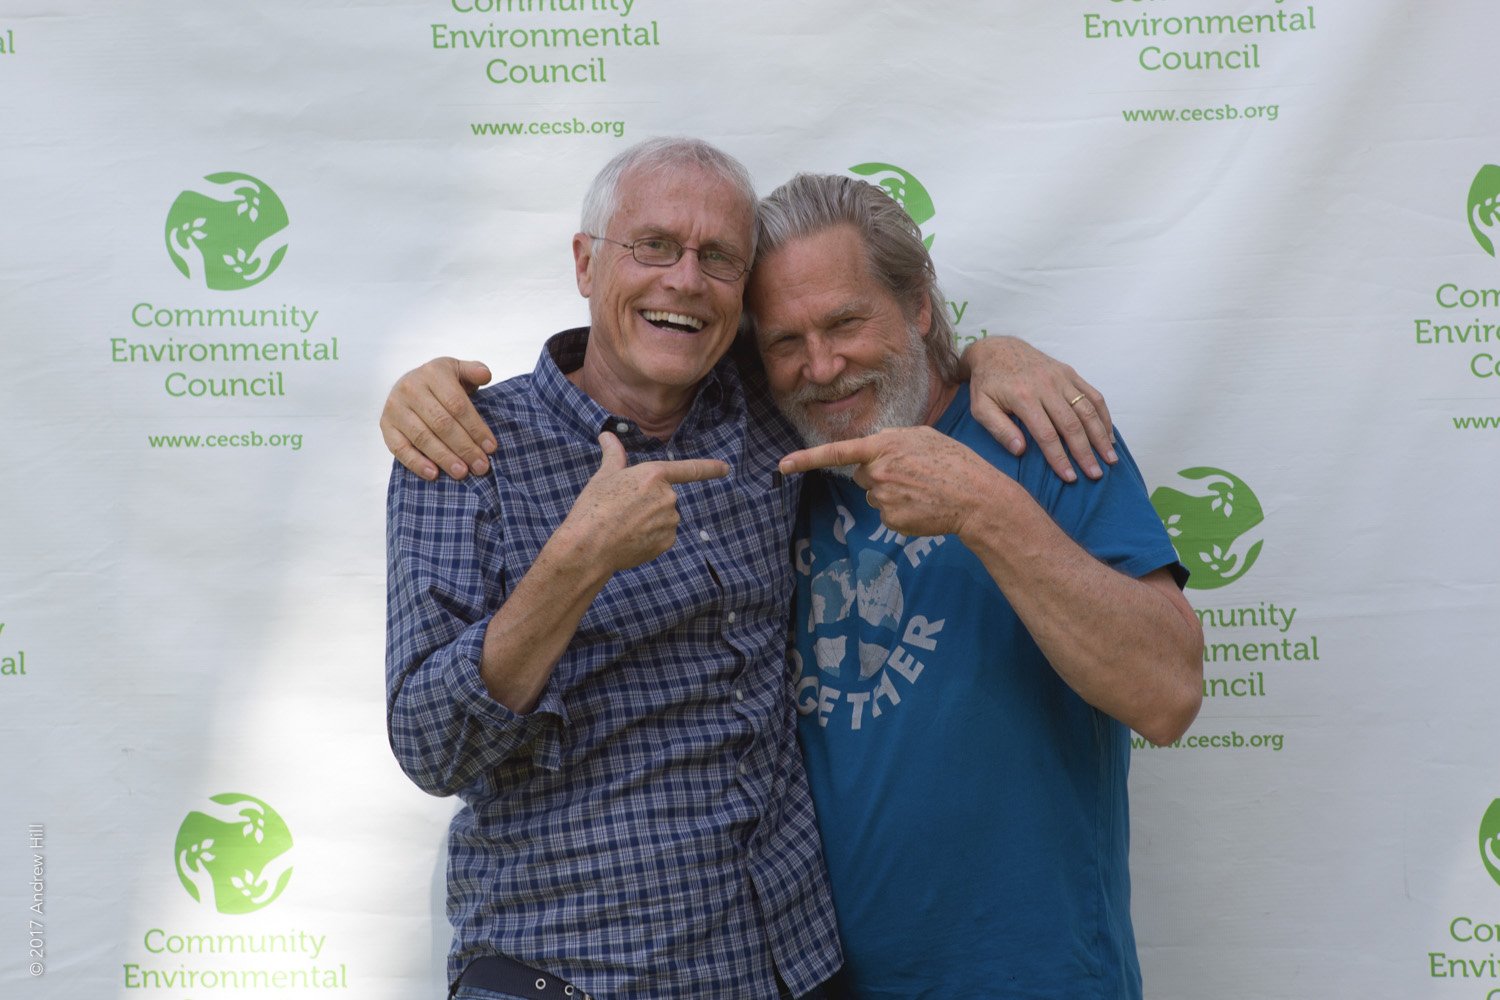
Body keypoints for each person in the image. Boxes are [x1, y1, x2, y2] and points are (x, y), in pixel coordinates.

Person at [384, 137, 1124, 1000]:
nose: (683, 280)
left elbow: (869, 350)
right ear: (586, 263)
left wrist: (997, 355)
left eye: (718, 259)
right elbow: (432, 750)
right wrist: (572, 564)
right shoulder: (468, 449)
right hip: (574, 973)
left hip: (790, 971)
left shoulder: (775, 409)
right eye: (653, 246)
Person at [750, 173, 1204, 998]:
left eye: (846, 321)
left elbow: (1168, 690)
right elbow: (636, 359)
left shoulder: (1041, 438)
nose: (822, 365)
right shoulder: (768, 468)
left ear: (919, 305)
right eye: (785, 341)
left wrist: (987, 509)